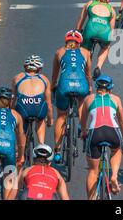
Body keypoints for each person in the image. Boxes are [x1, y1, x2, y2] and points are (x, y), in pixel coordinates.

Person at [80, 74, 123, 199]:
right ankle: (114, 176)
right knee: (116, 149)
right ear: (110, 89)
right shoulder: (115, 99)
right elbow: (122, 120)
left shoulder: (88, 99)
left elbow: (83, 119)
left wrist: (84, 132)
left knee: (93, 170)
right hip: (112, 131)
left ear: (97, 88)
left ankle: (91, 198)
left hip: (95, 133)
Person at [52, 30, 92, 163]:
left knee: (61, 115)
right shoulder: (86, 53)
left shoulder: (59, 52)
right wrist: (90, 87)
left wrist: (53, 85)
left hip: (64, 85)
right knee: (82, 102)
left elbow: (55, 74)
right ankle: (81, 126)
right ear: (79, 42)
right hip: (81, 85)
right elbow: (88, 74)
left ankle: (57, 150)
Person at [76, 0, 116, 80]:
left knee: (84, 49)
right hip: (104, 33)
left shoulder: (89, 3)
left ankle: (81, 65)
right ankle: (98, 66)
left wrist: (77, 31)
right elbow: (112, 31)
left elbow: (81, 21)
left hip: (90, 31)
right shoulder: (112, 10)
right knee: (106, 47)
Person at [12, 55, 53, 145]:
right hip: (38, 108)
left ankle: (19, 151)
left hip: (23, 107)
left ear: (25, 67)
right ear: (40, 69)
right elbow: (48, 103)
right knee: (41, 120)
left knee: (21, 125)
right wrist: (50, 119)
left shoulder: (17, 77)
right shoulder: (44, 79)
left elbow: (13, 100)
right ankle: (41, 144)